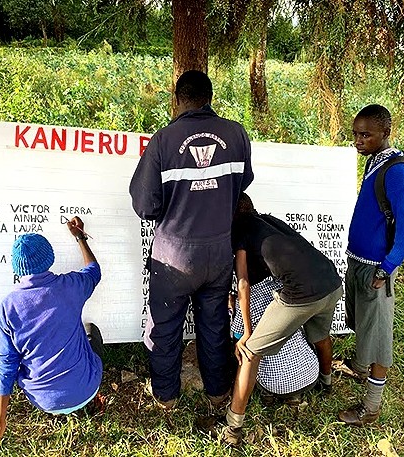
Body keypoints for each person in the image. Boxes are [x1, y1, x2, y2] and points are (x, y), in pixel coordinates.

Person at [129, 69, 254, 410]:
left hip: (174, 255)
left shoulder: (163, 140)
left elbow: (144, 203)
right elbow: (243, 184)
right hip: (218, 251)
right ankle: (217, 393)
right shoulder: (236, 134)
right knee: (213, 324)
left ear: (177, 99)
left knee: (166, 326)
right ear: (209, 98)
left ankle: (166, 397)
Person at [0, 217, 104, 455]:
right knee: (93, 335)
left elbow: (5, 365)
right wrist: (80, 237)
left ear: (16, 267)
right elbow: (94, 271)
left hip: (44, 401)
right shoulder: (70, 286)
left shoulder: (8, 308)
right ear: (50, 258)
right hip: (87, 388)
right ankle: (93, 399)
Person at [221, 193, 343, 445]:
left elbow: (243, 283)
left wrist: (246, 332)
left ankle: (233, 428)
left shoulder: (240, 230)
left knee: (250, 353)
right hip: (331, 281)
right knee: (320, 336)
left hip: (301, 293)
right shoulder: (269, 220)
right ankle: (326, 382)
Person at [338, 104, 404, 426]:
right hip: (359, 262)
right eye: (356, 134)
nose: (358, 141)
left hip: (376, 270)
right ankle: (360, 366)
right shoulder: (375, 162)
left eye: (366, 135)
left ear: (385, 133)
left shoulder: (397, 171)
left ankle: (371, 407)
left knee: (380, 336)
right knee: (361, 323)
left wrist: (386, 269)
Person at [231, 277, 319, 405]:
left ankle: (266, 393)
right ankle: (295, 395)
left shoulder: (246, 299)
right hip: (310, 374)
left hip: (274, 382)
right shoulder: (288, 287)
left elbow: (239, 339)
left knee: (247, 353)